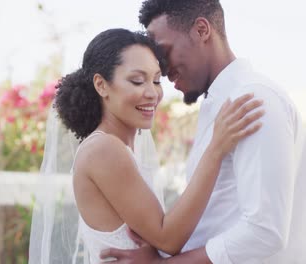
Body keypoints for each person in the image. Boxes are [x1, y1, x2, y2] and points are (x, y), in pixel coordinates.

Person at [28, 28, 264, 264]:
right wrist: (216, 149)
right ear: (101, 85)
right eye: (137, 81)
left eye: (157, 80)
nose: (152, 93)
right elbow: (168, 238)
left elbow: (161, 239)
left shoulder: (120, 148)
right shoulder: (103, 149)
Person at [100, 0, 306, 263]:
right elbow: (218, 218)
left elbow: (265, 231)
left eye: (164, 52)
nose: (161, 70)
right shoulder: (220, 105)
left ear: (201, 30)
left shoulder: (252, 100)